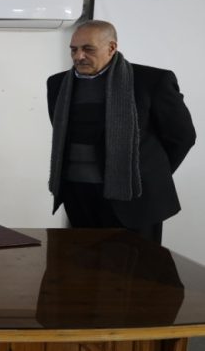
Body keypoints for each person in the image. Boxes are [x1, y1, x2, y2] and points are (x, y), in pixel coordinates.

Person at [47, 20, 196, 243]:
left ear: (111, 48)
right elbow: (63, 134)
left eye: (88, 49)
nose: (79, 56)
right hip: (78, 195)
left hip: (136, 199)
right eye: (74, 49)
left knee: (138, 263)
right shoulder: (58, 84)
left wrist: (144, 172)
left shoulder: (151, 81)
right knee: (82, 261)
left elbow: (182, 136)